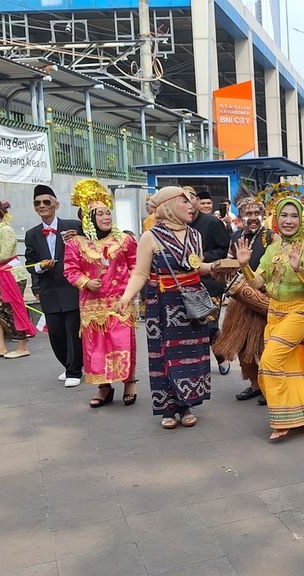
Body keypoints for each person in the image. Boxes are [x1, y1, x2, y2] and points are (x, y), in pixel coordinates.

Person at [117, 186, 224, 429]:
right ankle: (168, 407)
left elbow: (196, 266)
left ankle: (187, 404)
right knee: (164, 356)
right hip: (162, 305)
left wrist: (215, 267)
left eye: (191, 202)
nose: (191, 206)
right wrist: (126, 297)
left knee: (192, 356)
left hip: (192, 304)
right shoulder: (150, 237)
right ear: (169, 206)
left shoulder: (195, 235)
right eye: (185, 202)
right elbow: (141, 272)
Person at [234, 183, 304, 441]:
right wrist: (244, 266)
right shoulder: (272, 249)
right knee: (289, 364)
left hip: (299, 312)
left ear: (301, 219)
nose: (288, 221)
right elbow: (257, 283)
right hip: (275, 312)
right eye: (284, 215)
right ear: (276, 219)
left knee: (269, 362)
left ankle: (283, 420)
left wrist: (299, 269)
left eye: (294, 215)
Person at [63, 180, 139, 408]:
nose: (106, 218)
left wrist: (133, 294)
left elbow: (136, 268)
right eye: (100, 214)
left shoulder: (125, 241)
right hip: (92, 305)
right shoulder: (76, 244)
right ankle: (104, 387)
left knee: (123, 343)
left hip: (120, 302)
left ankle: (129, 383)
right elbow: (69, 269)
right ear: (89, 218)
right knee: (96, 348)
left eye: (108, 213)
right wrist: (86, 282)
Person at [214, 187, 273, 403]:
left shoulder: (270, 237)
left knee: (264, 345)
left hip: (263, 296)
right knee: (242, 345)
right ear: (241, 217)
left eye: (257, 213)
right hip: (240, 299)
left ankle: (269, 386)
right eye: (248, 214)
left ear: (263, 215)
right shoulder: (237, 236)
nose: (253, 218)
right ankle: (255, 384)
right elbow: (231, 260)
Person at [24, 184, 84, 387]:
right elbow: (29, 264)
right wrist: (40, 268)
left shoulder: (74, 225)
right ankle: (68, 364)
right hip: (49, 289)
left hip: (72, 286)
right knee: (56, 333)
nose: (42, 206)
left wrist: (79, 241)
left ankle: (74, 370)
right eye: (37, 203)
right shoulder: (32, 234)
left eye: (46, 202)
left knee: (73, 330)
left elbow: (90, 248)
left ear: (56, 204)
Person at [0, 193, 35, 359]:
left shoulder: (6, 230)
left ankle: (22, 344)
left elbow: (6, 254)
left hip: (11, 275)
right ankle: (0, 345)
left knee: (13, 309)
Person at [190, 188, 232, 374]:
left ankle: (221, 356)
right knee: (191, 327)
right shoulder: (176, 224)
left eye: (190, 199)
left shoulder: (212, 223)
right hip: (185, 285)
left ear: (197, 200)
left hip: (210, 282)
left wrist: (200, 258)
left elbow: (223, 250)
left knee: (210, 326)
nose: (186, 203)